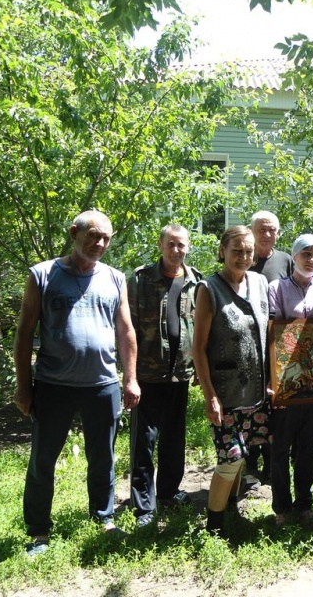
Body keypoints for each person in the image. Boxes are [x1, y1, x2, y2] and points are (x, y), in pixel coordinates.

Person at [13, 210, 141, 556]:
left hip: (102, 385)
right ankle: (38, 532)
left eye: (106, 238)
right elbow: (25, 333)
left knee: (104, 457)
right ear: (74, 232)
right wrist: (24, 386)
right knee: (43, 460)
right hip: (53, 385)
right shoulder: (43, 274)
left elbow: (126, 330)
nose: (99, 243)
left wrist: (130, 378)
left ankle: (104, 518)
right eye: (93, 236)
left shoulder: (114, 278)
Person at [191, 225, 271, 536]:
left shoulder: (261, 283)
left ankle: (232, 507)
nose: (243, 256)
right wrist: (209, 394)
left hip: (258, 391)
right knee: (231, 457)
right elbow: (198, 347)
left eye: (249, 251)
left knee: (244, 456)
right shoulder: (208, 289)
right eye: (237, 250)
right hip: (225, 392)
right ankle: (214, 525)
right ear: (222, 251)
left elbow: (270, 333)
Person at [127, 224, 202, 528]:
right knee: (144, 442)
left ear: (188, 247)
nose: (176, 251)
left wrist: (199, 366)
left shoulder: (196, 281)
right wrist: (129, 374)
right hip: (147, 373)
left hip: (180, 374)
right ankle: (144, 505)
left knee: (174, 438)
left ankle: (169, 491)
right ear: (160, 245)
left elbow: (202, 327)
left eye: (181, 245)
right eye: (170, 244)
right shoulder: (141, 279)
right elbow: (127, 327)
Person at [268, 234, 313, 525]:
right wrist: (272, 380)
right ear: (294, 256)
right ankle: (282, 507)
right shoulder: (277, 288)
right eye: (306, 254)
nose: (311, 260)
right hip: (286, 379)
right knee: (281, 446)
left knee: (308, 445)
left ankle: (305, 503)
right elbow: (271, 334)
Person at [246, 210, 292, 487]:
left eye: (272, 230)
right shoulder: (241, 256)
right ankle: (250, 468)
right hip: (249, 346)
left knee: (277, 405)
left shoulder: (286, 260)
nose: (267, 235)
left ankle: (274, 464)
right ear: (252, 231)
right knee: (251, 404)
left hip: (278, 346)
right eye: (262, 229)